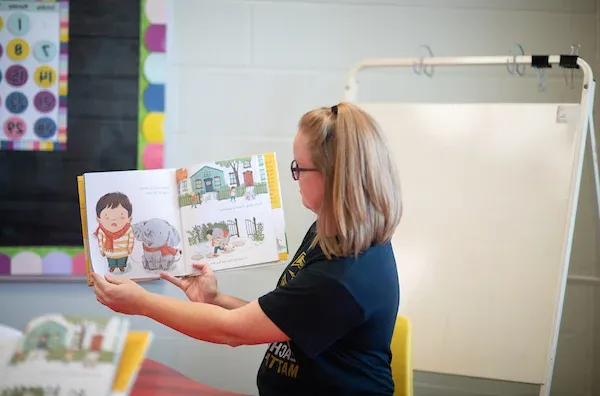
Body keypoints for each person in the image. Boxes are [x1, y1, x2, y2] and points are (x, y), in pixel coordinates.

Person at [92, 102, 403, 395]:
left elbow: (233, 332)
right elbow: (283, 317)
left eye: (299, 168)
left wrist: (142, 303)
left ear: (333, 178)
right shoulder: (332, 231)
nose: (294, 177)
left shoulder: (344, 276)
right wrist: (215, 299)